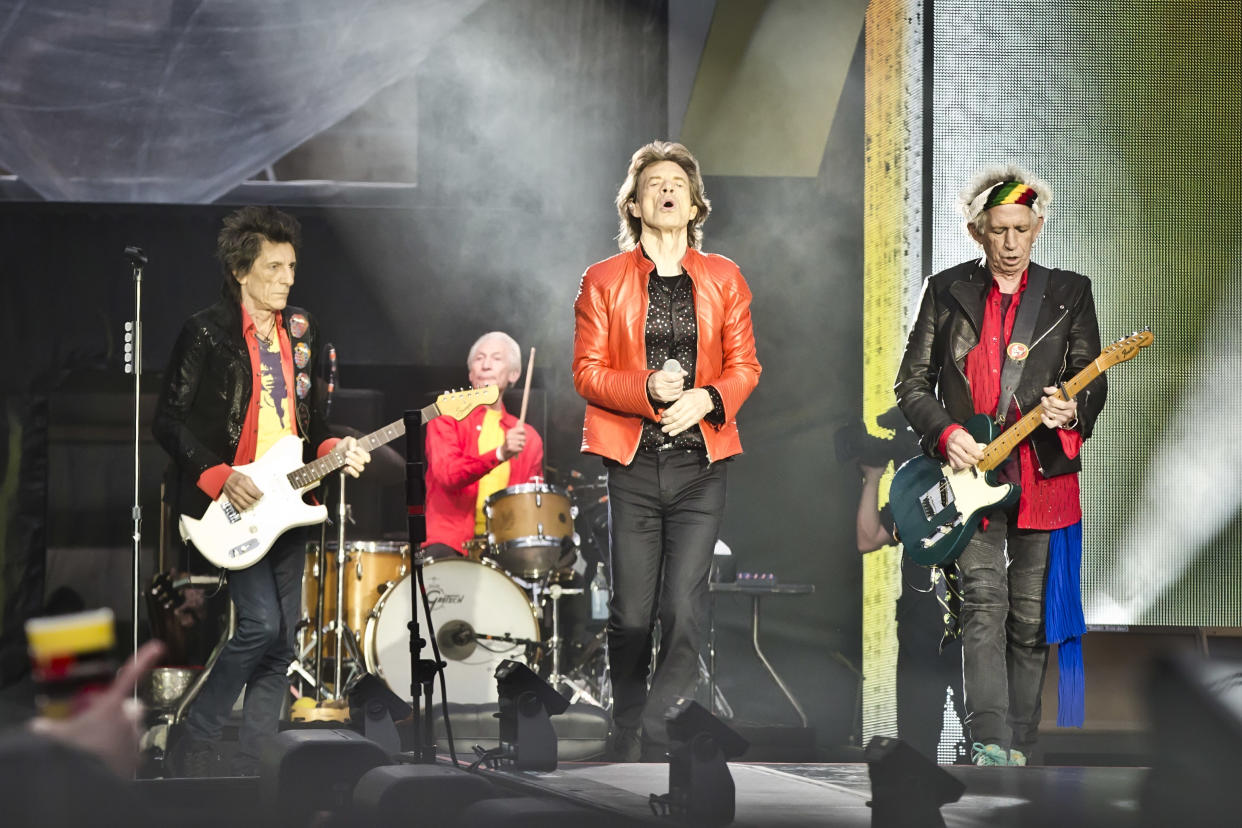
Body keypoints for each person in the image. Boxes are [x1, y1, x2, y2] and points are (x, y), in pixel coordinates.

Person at [894, 165, 1107, 766]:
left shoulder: (1070, 292)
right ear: (975, 231)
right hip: (970, 476)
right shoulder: (946, 290)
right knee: (982, 606)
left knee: (1029, 617)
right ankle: (987, 740)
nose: (1011, 243)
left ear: (1038, 228)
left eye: (1021, 229)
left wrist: (1070, 411)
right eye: (998, 230)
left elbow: (1092, 377)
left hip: (1040, 474)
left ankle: (1022, 743)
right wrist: (947, 433)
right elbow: (911, 385)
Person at [153, 206, 371, 776]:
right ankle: (192, 734)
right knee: (260, 624)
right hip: (232, 502)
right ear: (240, 271)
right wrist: (220, 475)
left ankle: (256, 758)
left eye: (292, 266)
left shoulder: (302, 333)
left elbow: (311, 427)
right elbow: (168, 421)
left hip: (288, 503)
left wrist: (334, 453)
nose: (287, 278)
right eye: (273, 266)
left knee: (282, 639)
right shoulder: (206, 332)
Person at [573, 140, 761, 761]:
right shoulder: (602, 280)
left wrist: (709, 397)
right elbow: (588, 374)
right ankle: (625, 718)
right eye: (653, 181)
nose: (667, 188)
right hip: (632, 462)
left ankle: (654, 729)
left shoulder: (725, 277)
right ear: (634, 202)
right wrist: (647, 389)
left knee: (683, 607)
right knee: (630, 613)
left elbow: (746, 367)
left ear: (695, 202)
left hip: (700, 466)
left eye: (677, 180)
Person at [856, 461, 965, 762]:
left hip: (974, 631)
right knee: (917, 744)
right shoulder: (922, 494)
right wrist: (873, 478)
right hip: (921, 632)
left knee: (981, 739)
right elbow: (868, 538)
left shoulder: (987, 482)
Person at [422, 331, 544, 560]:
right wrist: (500, 453)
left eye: (496, 359)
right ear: (470, 374)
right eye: (479, 359)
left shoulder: (529, 438)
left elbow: (532, 505)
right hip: (450, 543)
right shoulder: (445, 417)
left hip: (503, 547)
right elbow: (448, 474)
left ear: (514, 374)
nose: (486, 365)